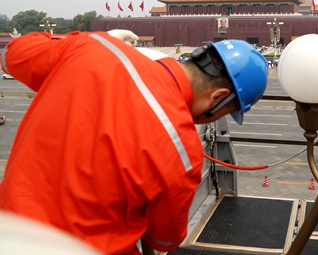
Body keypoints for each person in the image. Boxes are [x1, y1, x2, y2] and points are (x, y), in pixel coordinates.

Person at [0, 29, 268, 255]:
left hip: (9, 235)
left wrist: (97, 40)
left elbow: (12, 53)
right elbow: (163, 239)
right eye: (226, 112)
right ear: (217, 98)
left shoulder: (92, 48)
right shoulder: (181, 150)